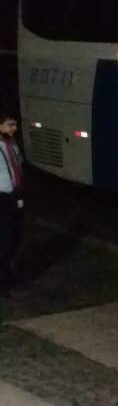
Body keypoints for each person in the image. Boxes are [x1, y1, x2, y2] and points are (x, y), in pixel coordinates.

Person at [0, 109, 24, 290]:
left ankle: (8, 272)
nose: (14, 128)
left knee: (15, 236)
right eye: (10, 124)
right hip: (2, 197)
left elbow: (18, 164)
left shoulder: (11, 143)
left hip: (14, 195)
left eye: (15, 124)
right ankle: (4, 279)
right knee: (6, 238)